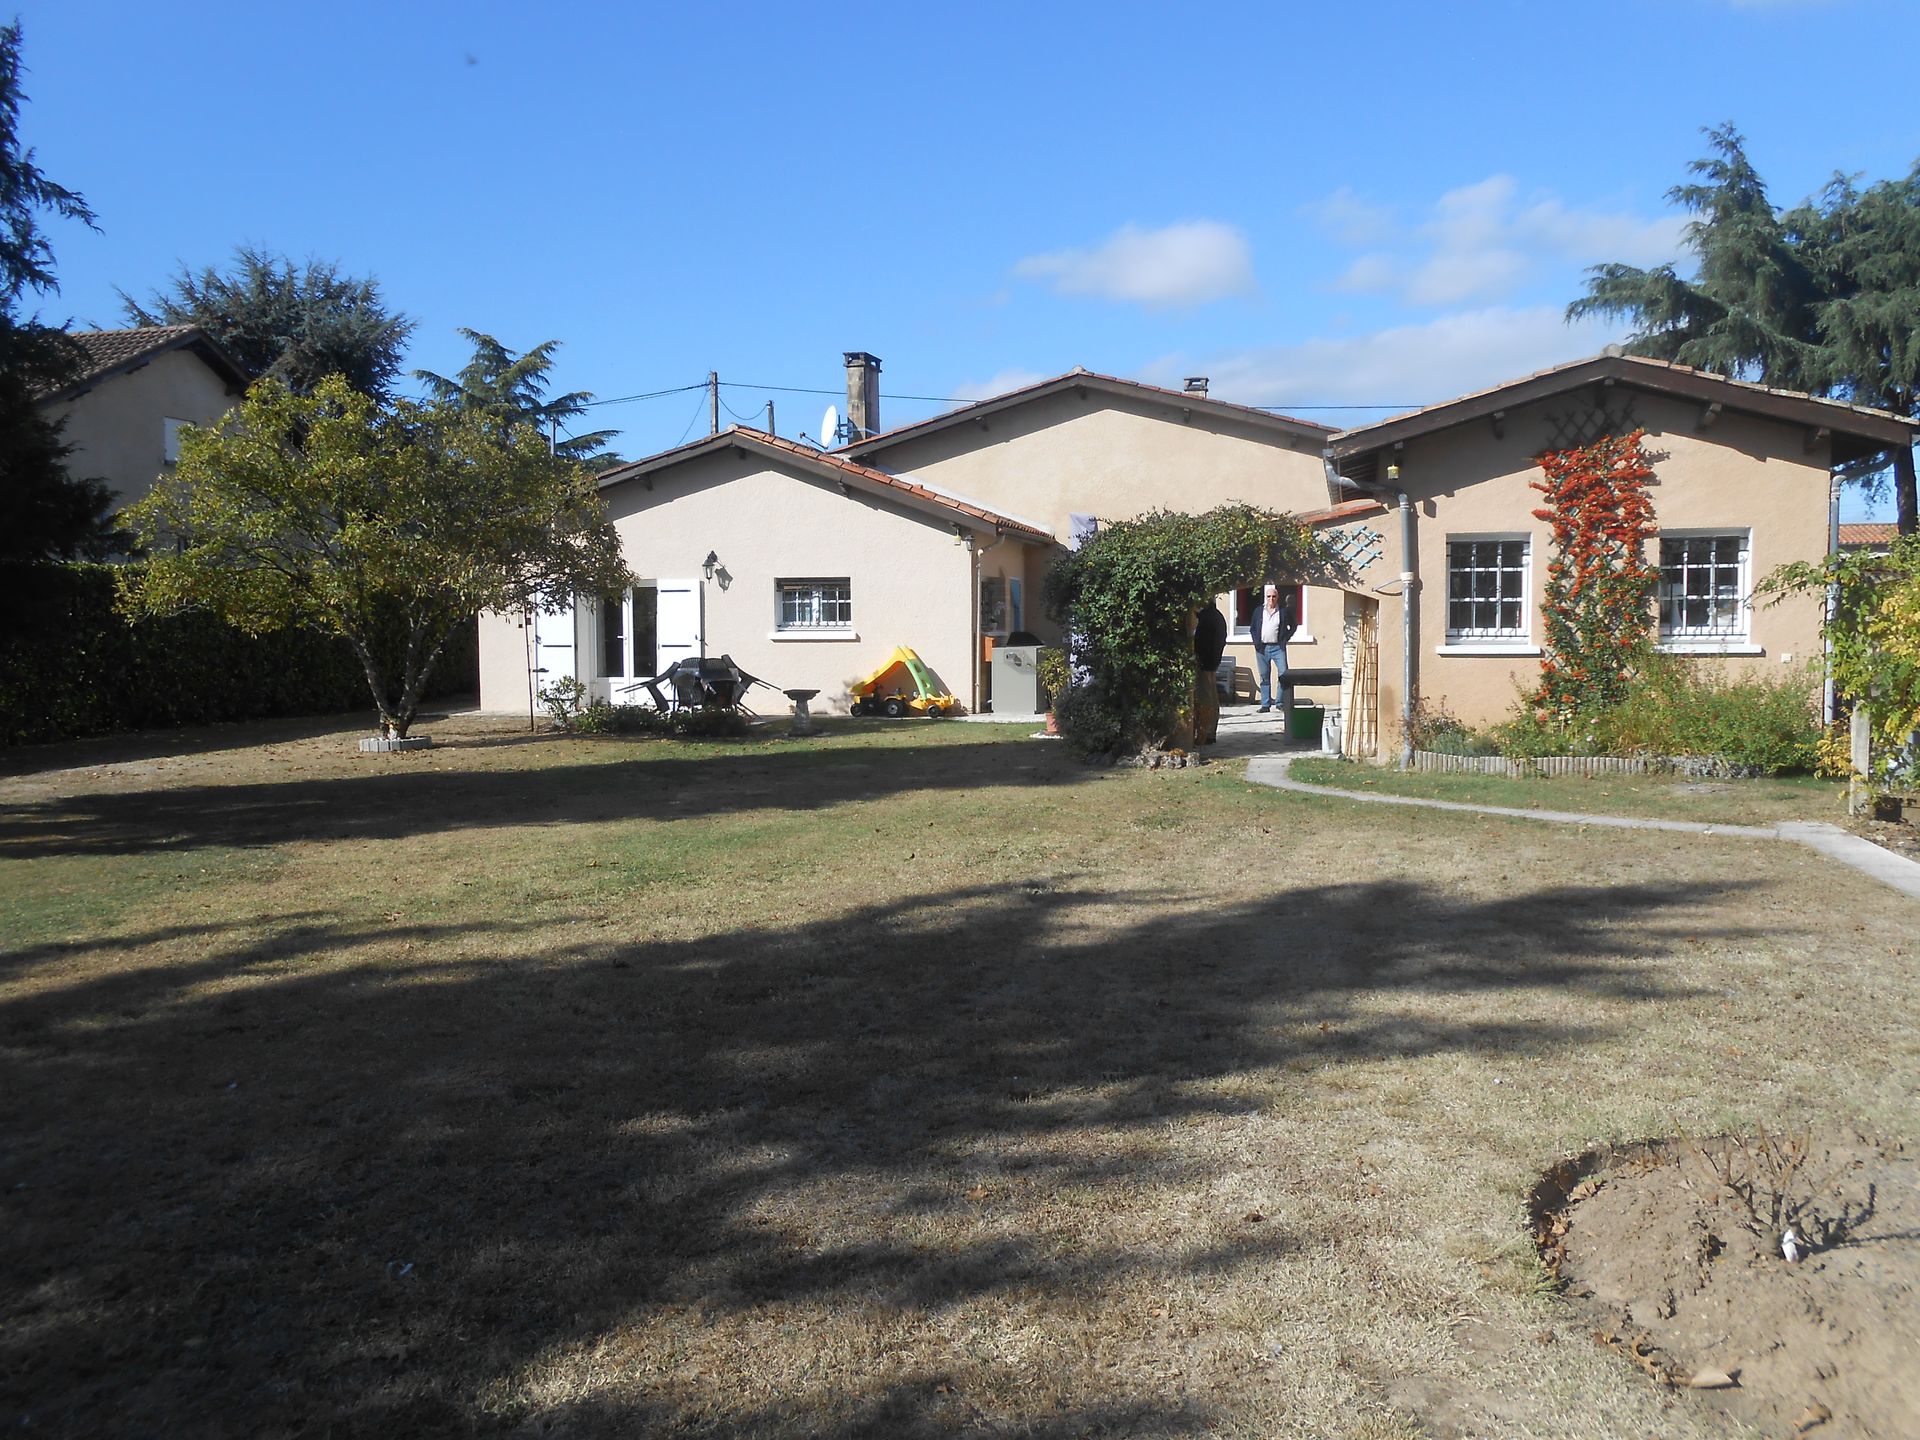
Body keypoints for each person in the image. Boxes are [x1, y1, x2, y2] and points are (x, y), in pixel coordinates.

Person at [1251, 582, 1296, 714]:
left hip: (1278, 648)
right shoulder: (1259, 611)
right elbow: (1253, 628)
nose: (1271, 599)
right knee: (1264, 676)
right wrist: (1256, 643)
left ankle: (1280, 702)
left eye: (1274, 597)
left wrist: (1285, 638)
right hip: (1262, 648)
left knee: (1283, 674)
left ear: (1277, 598)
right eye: (1269, 596)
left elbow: (1293, 626)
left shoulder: (1283, 611)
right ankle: (1265, 704)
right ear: (1266, 597)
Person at [1193, 599, 1227, 744]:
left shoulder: (1206, 619)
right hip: (1213, 662)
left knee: (1206, 697)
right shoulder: (1218, 616)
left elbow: (1202, 643)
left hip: (1206, 663)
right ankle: (1210, 731)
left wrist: (1200, 660)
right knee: (1212, 697)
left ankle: (1206, 732)